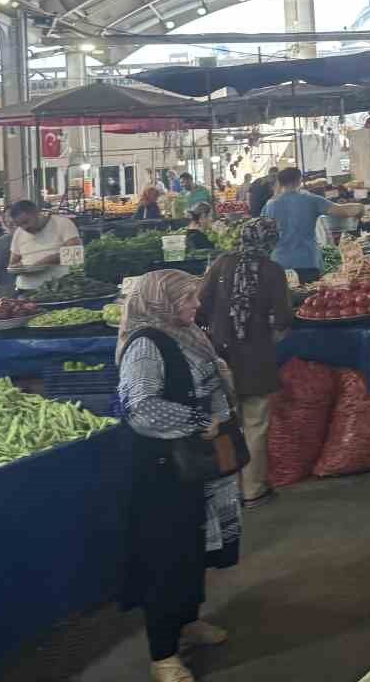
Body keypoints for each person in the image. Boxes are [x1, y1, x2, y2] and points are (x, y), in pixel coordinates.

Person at [116, 270, 239, 682]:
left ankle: (188, 620)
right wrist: (199, 418)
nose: (196, 306)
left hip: (193, 465)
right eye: (187, 300)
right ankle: (163, 653)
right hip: (161, 471)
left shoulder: (187, 335)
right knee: (166, 559)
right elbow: (140, 406)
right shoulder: (146, 345)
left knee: (194, 551)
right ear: (160, 303)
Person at [196, 218, 291, 509]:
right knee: (255, 424)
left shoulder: (222, 264)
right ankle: (253, 490)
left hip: (221, 356)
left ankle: (228, 491)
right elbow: (283, 319)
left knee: (224, 424)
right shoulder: (273, 271)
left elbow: (200, 306)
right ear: (270, 242)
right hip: (257, 359)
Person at [262, 167, 362, 283]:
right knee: (308, 299)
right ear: (299, 181)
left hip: (278, 263)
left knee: (284, 299)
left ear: (280, 182)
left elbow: (263, 234)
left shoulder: (269, 206)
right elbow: (343, 211)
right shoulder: (311, 200)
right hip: (307, 261)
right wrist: (360, 207)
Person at [7, 200, 81, 291]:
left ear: (36, 213)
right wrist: (22, 269)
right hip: (25, 289)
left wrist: (47, 260)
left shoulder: (62, 223)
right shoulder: (18, 233)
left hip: (58, 288)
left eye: (25, 222)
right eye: (19, 225)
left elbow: (75, 254)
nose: (24, 228)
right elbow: (13, 263)